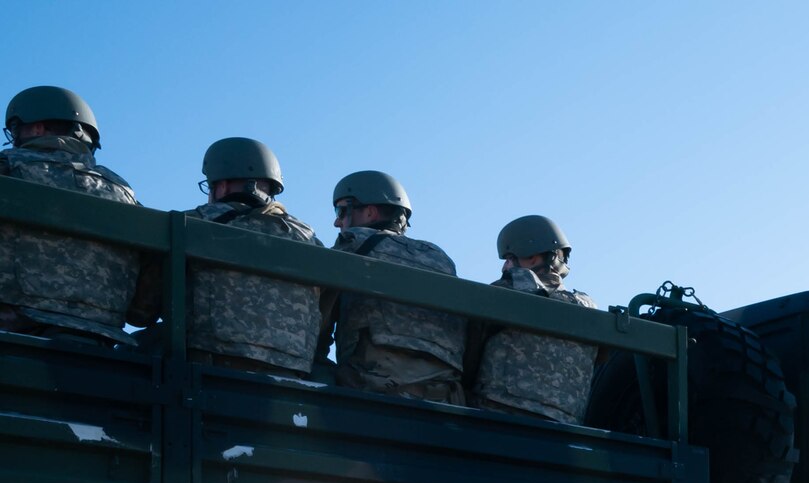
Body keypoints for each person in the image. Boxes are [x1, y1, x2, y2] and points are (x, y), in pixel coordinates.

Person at [0, 85, 153, 344]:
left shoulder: (8, 168)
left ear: (36, 128)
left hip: (17, 332)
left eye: (15, 131)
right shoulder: (125, 193)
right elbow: (142, 311)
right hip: (103, 340)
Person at [185, 137, 325, 374]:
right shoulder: (310, 240)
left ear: (223, 185)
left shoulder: (192, 223)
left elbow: (143, 311)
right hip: (293, 372)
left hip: (208, 365)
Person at [326, 171, 466, 403]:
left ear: (369, 211)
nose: (337, 222)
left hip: (374, 390)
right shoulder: (439, 258)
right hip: (446, 398)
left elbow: (317, 311)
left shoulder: (355, 243)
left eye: (341, 211)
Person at [471, 214, 598, 423]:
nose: (504, 268)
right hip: (565, 430)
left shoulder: (505, 292)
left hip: (495, 422)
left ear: (532, 257)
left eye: (509, 258)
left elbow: (468, 354)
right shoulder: (587, 307)